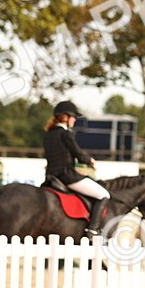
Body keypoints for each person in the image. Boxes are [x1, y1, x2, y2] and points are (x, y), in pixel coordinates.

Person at [44, 100, 110, 236]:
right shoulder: (66, 134)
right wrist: (89, 161)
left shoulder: (48, 134)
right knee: (104, 194)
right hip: (67, 176)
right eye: (73, 117)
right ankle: (93, 228)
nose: (74, 120)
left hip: (51, 177)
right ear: (65, 117)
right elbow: (78, 153)